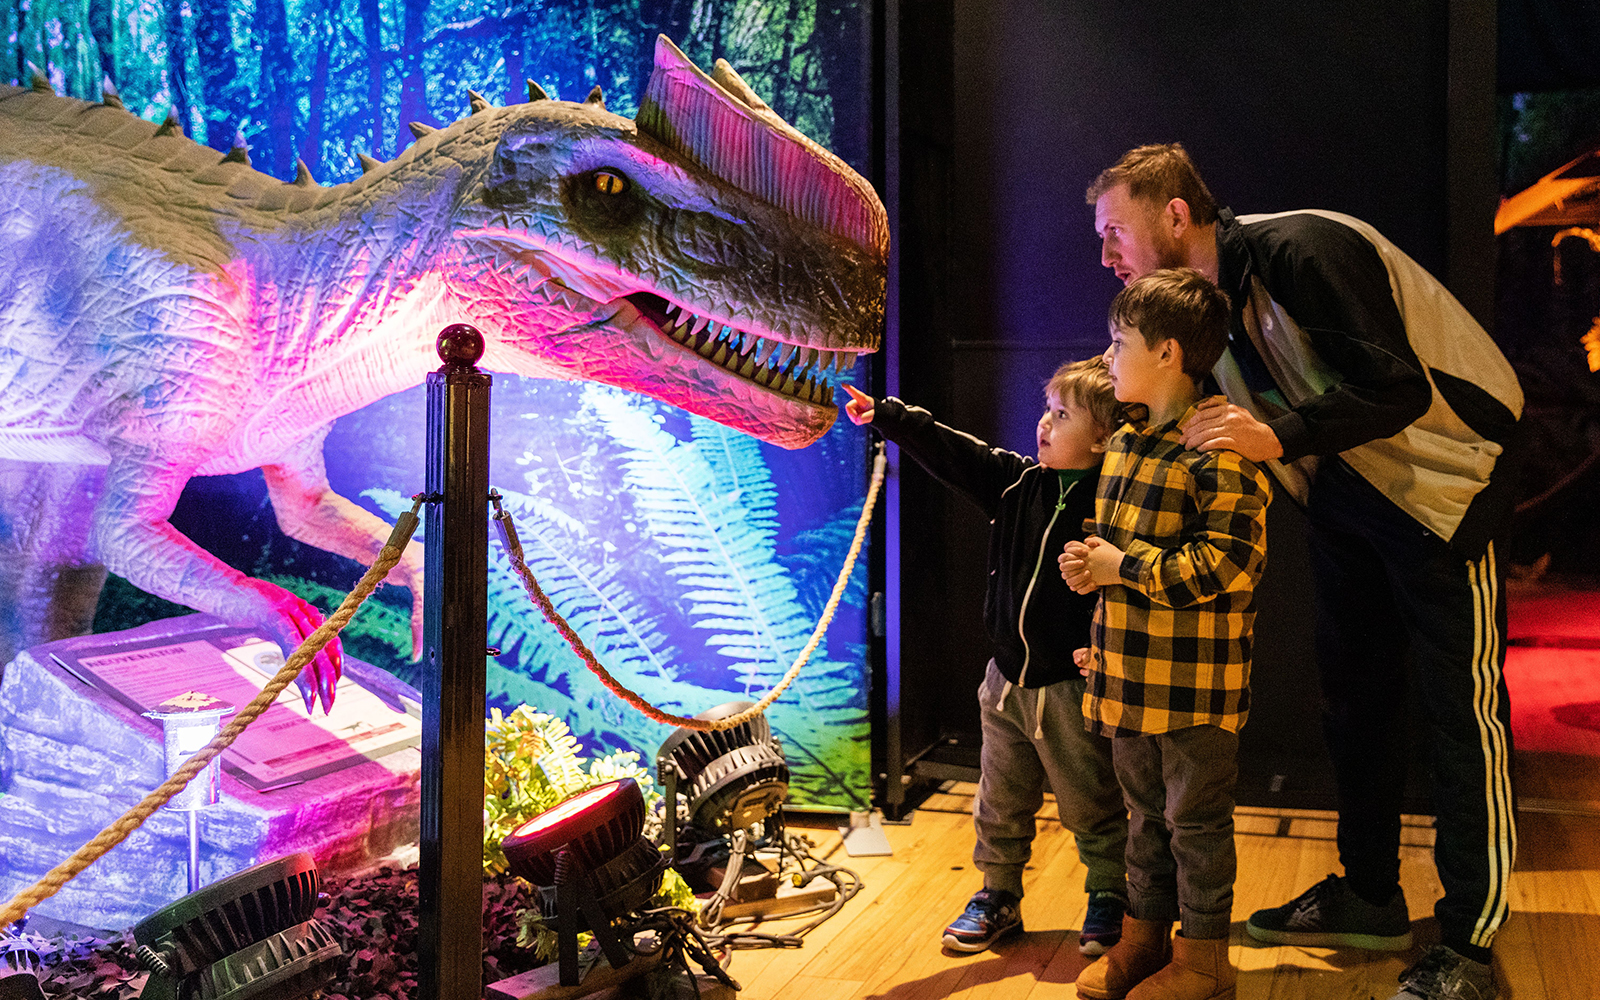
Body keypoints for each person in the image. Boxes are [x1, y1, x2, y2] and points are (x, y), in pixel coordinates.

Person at [1086, 143, 1523, 1000]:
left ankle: (1470, 945)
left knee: (1460, 710)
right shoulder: (1204, 313)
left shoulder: (1302, 247)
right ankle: (1370, 893)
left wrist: (1277, 438)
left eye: (1113, 231)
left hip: (1447, 481)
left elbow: (1398, 388)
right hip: (1350, 489)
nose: (1105, 255)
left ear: (1175, 214)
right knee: (1355, 698)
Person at [841, 359, 1130, 957]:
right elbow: (957, 453)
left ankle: (1108, 893)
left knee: (1092, 802)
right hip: (1004, 683)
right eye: (1047, 410)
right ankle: (998, 894)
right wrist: (892, 417)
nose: (1044, 423)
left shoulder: (1115, 505)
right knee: (998, 801)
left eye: (1062, 415)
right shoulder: (1017, 485)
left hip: (1070, 691)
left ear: (1102, 439)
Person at [1061, 268, 1270, 1000]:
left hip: (1194, 691)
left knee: (1195, 824)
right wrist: (1092, 569)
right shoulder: (1128, 439)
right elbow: (1114, 545)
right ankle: (1142, 939)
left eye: (1120, 343)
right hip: (1129, 678)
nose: (1108, 357)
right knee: (1144, 819)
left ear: (1168, 353)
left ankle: (1204, 959)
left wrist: (1122, 566)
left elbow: (1226, 566)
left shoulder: (1221, 453)